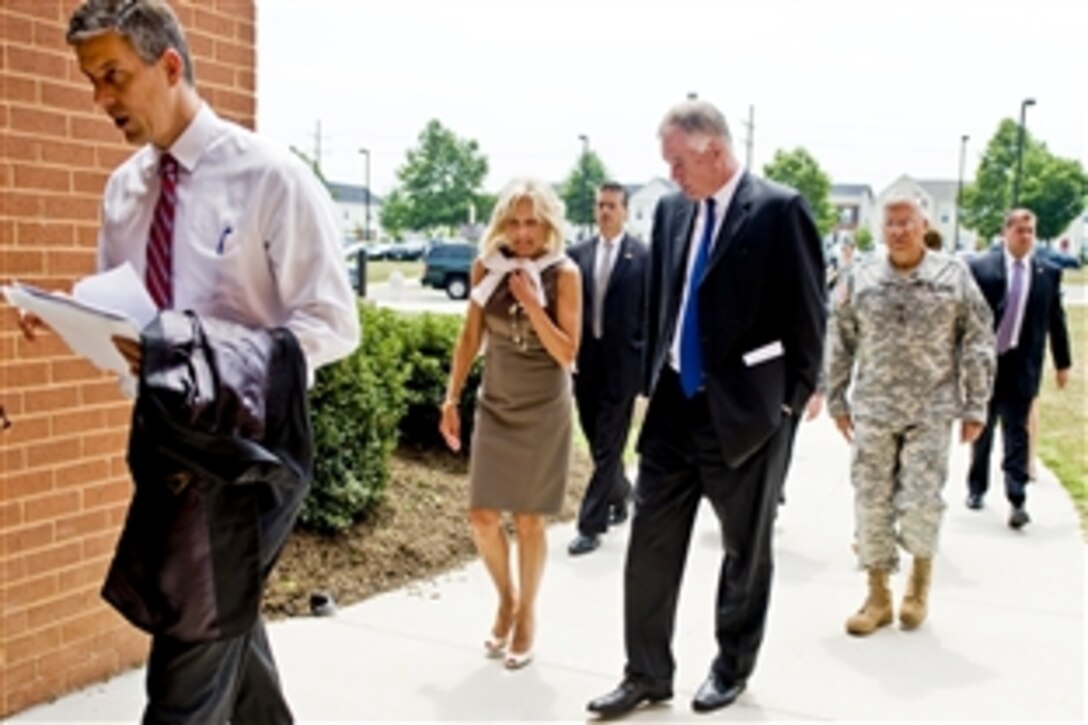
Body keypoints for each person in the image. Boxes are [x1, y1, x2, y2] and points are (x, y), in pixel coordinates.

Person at [16, 2, 361, 722]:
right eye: (90, 80)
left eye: (113, 75)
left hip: (246, 456)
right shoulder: (123, 192)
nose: (100, 98)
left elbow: (331, 324)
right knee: (227, 632)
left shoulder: (271, 178)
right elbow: (132, 326)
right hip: (163, 446)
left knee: (187, 662)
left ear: (170, 64)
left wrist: (195, 354)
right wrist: (73, 323)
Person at [587, 99, 825, 717]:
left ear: (713, 150)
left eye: (676, 161)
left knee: (745, 551)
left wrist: (790, 407)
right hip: (673, 408)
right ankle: (645, 673)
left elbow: (808, 316)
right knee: (649, 546)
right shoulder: (671, 211)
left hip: (746, 415)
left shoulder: (778, 209)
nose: (671, 174)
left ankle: (731, 667)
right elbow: (662, 300)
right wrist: (648, 380)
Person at [825, 196, 995, 636]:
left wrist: (976, 403)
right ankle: (877, 595)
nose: (898, 230)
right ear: (882, 229)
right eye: (891, 223)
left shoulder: (952, 275)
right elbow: (839, 336)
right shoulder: (860, 275)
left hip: (931, 411)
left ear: (924, 225)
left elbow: (977, 338)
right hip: (874, 410)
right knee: (871, 499)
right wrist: (836, 398)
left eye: (907, 222)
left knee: (920, 500)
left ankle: (918, 585)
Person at [439, 178, 581, 670]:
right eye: (515, 222)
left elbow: (567, 352)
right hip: (497, 404)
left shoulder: (565, 273)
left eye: (532, 223)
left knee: (528, 519)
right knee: (481, 518)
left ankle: (527, 616)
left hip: (544, 406)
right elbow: (469, 338)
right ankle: (506, 599)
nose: (522, 234)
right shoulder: (488, 268)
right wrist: (451, 396)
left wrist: (535, 303)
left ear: (548, 225)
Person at [966, 208, 1072, 528]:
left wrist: (1062, 362)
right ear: (1007, 232)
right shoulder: (982, 268)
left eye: (1030, 231)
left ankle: (1017, 497)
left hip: (1023, 365)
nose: (1026, 236)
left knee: (1017, 432)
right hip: (987, 364)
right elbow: (966, 317)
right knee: (982, 430)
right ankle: (977, 487)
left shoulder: (1048, 273)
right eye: (1020, 230)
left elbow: (1056, 319)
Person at [566, 181, 649, 556]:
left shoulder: (643, 257)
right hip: (585, 364)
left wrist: (645, 369)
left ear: (625, 211)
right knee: (596, 439)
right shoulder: (576, 255)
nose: (605, 212)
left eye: (612, 206)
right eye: (600, 205)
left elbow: (651, 317)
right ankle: (623, 493)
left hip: (622, 367)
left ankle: (589, 525)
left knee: (609, 443)